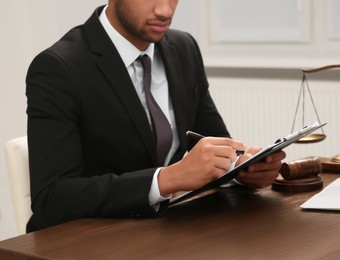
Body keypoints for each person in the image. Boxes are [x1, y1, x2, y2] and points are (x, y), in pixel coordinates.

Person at [25, 0, 286, 232]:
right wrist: (168, 179)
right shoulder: (58, 68)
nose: (165, 10)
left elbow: (212, 143)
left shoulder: (184, 48)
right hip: (86, 239)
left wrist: (242, 171)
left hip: (161, 230)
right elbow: (51, 199)